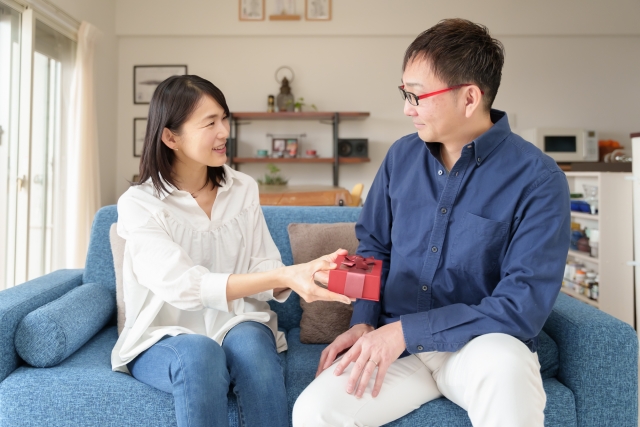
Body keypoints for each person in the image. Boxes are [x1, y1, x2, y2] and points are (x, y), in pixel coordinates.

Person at [293, 18, 570, 427]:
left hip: (479, 347)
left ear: (470, 97)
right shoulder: (400, 158)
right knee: (315, 411)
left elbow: (521, 306)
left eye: (416, 95)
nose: (407, 108)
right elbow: (374, 249)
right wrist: (365, 321)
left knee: (507, 369)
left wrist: (408, 330)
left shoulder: (539, 179)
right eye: (404, 93)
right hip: (396, 347)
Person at [110, 74, 351, 427]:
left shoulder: (243, 188)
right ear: (170, 136)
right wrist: (284, 274)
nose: (224, 131)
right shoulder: (139, 204)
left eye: (224, 118)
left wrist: (302, 278)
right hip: (162, 336)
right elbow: (185, 285)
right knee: (198, 353)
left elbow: (262, 264)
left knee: (254, 346)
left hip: (237, 321)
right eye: (210, 123)